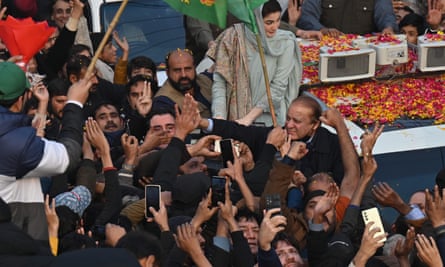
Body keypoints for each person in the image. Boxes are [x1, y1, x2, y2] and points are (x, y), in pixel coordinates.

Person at [0, 61, 94, 239]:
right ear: (23, 99)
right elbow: (69, 155)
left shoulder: (16, 140)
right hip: (16, 244)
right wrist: (74, 104)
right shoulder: (16, 145)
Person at [208, 0, 302, 126]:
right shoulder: (232, 37)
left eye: (278, 20)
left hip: (269, 120)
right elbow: (220, 82)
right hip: (235, 119)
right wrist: (219, 119)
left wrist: (248, 119)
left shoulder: (285, 42)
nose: (275, 27)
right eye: (269, 22)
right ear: (256, 19)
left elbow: (278, 87)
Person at [153, 49, 212, 119]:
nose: (183, 75)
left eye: (188, 69)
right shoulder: (162, 102)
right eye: (177, 70)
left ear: (194, 68)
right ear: (167, 73)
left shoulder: (207, 80)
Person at [297, 0, 398, 36]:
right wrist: (322, 30)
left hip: (365, 51)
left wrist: (388, 28)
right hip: (327, 49)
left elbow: (386, 14)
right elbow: (307, 16)